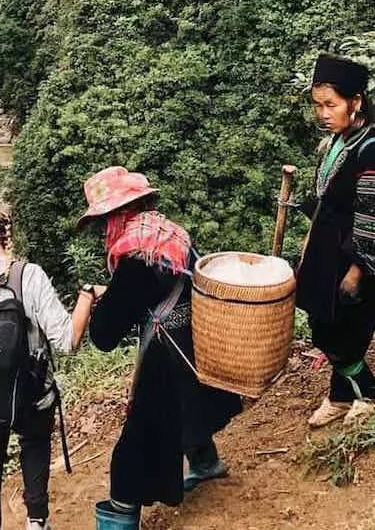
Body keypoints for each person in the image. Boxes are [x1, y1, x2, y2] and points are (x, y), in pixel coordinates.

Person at [78, 166, 242, 530]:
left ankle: (119, 518)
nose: (104, 230)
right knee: (192, 405)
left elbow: (105, 335)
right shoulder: (171, 234)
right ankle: (205, 463)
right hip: (196, 340)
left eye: (105, 220)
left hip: (165, 357)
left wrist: (94, 301)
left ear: (117, 215)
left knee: (136, 446)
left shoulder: (138, 257)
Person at [0, 200, 104, 530]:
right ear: (9, 235)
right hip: (32, 395)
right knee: (35, 445)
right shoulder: (31, 276)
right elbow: (68, 340)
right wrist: (86, 296)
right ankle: (36, 522)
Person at [296, 53, 375, 428]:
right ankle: (341, 397)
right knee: (326, 325)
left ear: (355, 102)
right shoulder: (339, 142)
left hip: (362, 259)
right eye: (318, 105)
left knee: (342, 334)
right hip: (330, 254)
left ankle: (370, 394)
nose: (323, 113)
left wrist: (358, 270)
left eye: (331, 104)